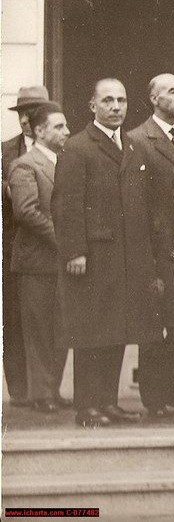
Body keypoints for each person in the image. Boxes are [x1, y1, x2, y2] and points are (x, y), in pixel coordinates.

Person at [53, 78, 163, 427]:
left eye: (122, 101)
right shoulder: (77, 147)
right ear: (93, 105)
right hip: (93, 259)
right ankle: (88, 406)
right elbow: (66, 206)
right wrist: (74, 252)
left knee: (118, 330)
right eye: (108, 101)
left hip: (129, 260)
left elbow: (145, 207)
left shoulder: (133, 148)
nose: (116, 107)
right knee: (91, 332)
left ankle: (108, 402)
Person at [127, 73, 174, 417]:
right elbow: (135, 207)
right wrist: (146, 259)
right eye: (173, 92)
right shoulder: (137, 140)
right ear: (154, 99)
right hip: (157, 250)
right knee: (155, 324)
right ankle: (154, 399)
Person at [8, 102, 71, 412]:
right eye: (58, 127)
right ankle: (40, 394)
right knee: (38, 329)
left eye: (65, 126)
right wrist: (65, 240)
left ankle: (53, 391)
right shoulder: (25, 165)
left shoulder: (66, 162)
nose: (66, 131)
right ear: (40, 130)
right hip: (36, 262)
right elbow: (27, 211)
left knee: (61, 327)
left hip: (61, 262)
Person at [2, 85, 50, 408]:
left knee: (47, 321)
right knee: (14, 318)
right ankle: (20, 391)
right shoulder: (5, 151)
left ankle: (45, 390)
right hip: (12, 248)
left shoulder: (57, 149)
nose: (24, 120)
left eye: (30, 113)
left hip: (47, 249)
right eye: (20, 114)